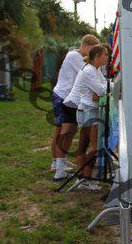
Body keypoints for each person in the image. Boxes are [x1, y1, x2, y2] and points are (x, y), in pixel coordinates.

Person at [51, 34, 99, 180]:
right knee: (62, 131)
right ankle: (56, 164)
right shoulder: (74, 56)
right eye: (92, 49)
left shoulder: (79, 57)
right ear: (86, 46)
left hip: (70, 98)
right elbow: (88, 74)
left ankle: (61, 161)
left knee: (70, 131)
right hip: (62, 96)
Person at [64, 45, 109, 191]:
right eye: (105, 55)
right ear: (97, 56)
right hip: (88, 111)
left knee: (83, 146)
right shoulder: (89, 70)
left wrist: (102, 90)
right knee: (95, 148)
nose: (107, 57)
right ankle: (87, 179)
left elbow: (105, 84)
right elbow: (102, 89)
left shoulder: (95, 69)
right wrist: (102, 91)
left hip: (88, 110)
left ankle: (83, 179)